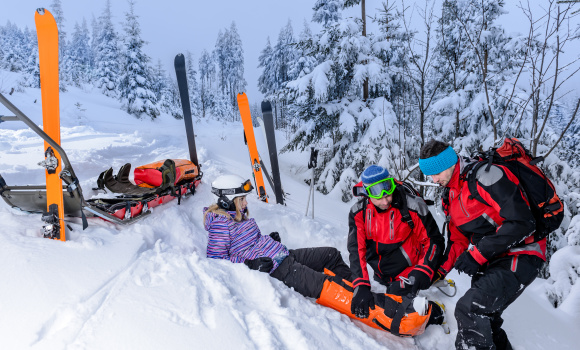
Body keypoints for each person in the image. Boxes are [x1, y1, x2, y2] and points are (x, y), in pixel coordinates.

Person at [204, 174, 446, 337]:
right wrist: (251, 262)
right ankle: (407, 315)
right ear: (226, 201)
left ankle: (361, 289)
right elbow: (217, 262)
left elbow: (246, 243)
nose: (246, 203)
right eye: (241, 199)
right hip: (277, 268)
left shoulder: (239, 217)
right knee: (332, 287)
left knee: (330, 255)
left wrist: (266, 241)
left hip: (282, 255)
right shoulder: (219, 225)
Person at [418, 139, 544, 350]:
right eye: (429, 174)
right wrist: (437, 273)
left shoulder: (485, 177)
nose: (433, 179)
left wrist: (477, 255)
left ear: (450, 162)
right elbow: (458, 241)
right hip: (490, 261)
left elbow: (523, 222)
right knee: (488, 322)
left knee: (470, 309)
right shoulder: (451, 195)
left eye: (437, 171)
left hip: (521, 254)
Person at [348, 165, 445, 319]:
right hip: (381, 274)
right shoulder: (358, 213)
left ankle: (434, 310)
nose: (386, 200)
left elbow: (434, 240)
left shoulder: (412, 206)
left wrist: (424, 269)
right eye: (379, 197)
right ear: (367, 193)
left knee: (395, 308)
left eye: (388, 194)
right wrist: (361, 284)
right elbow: (356, 250)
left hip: (410, 271)